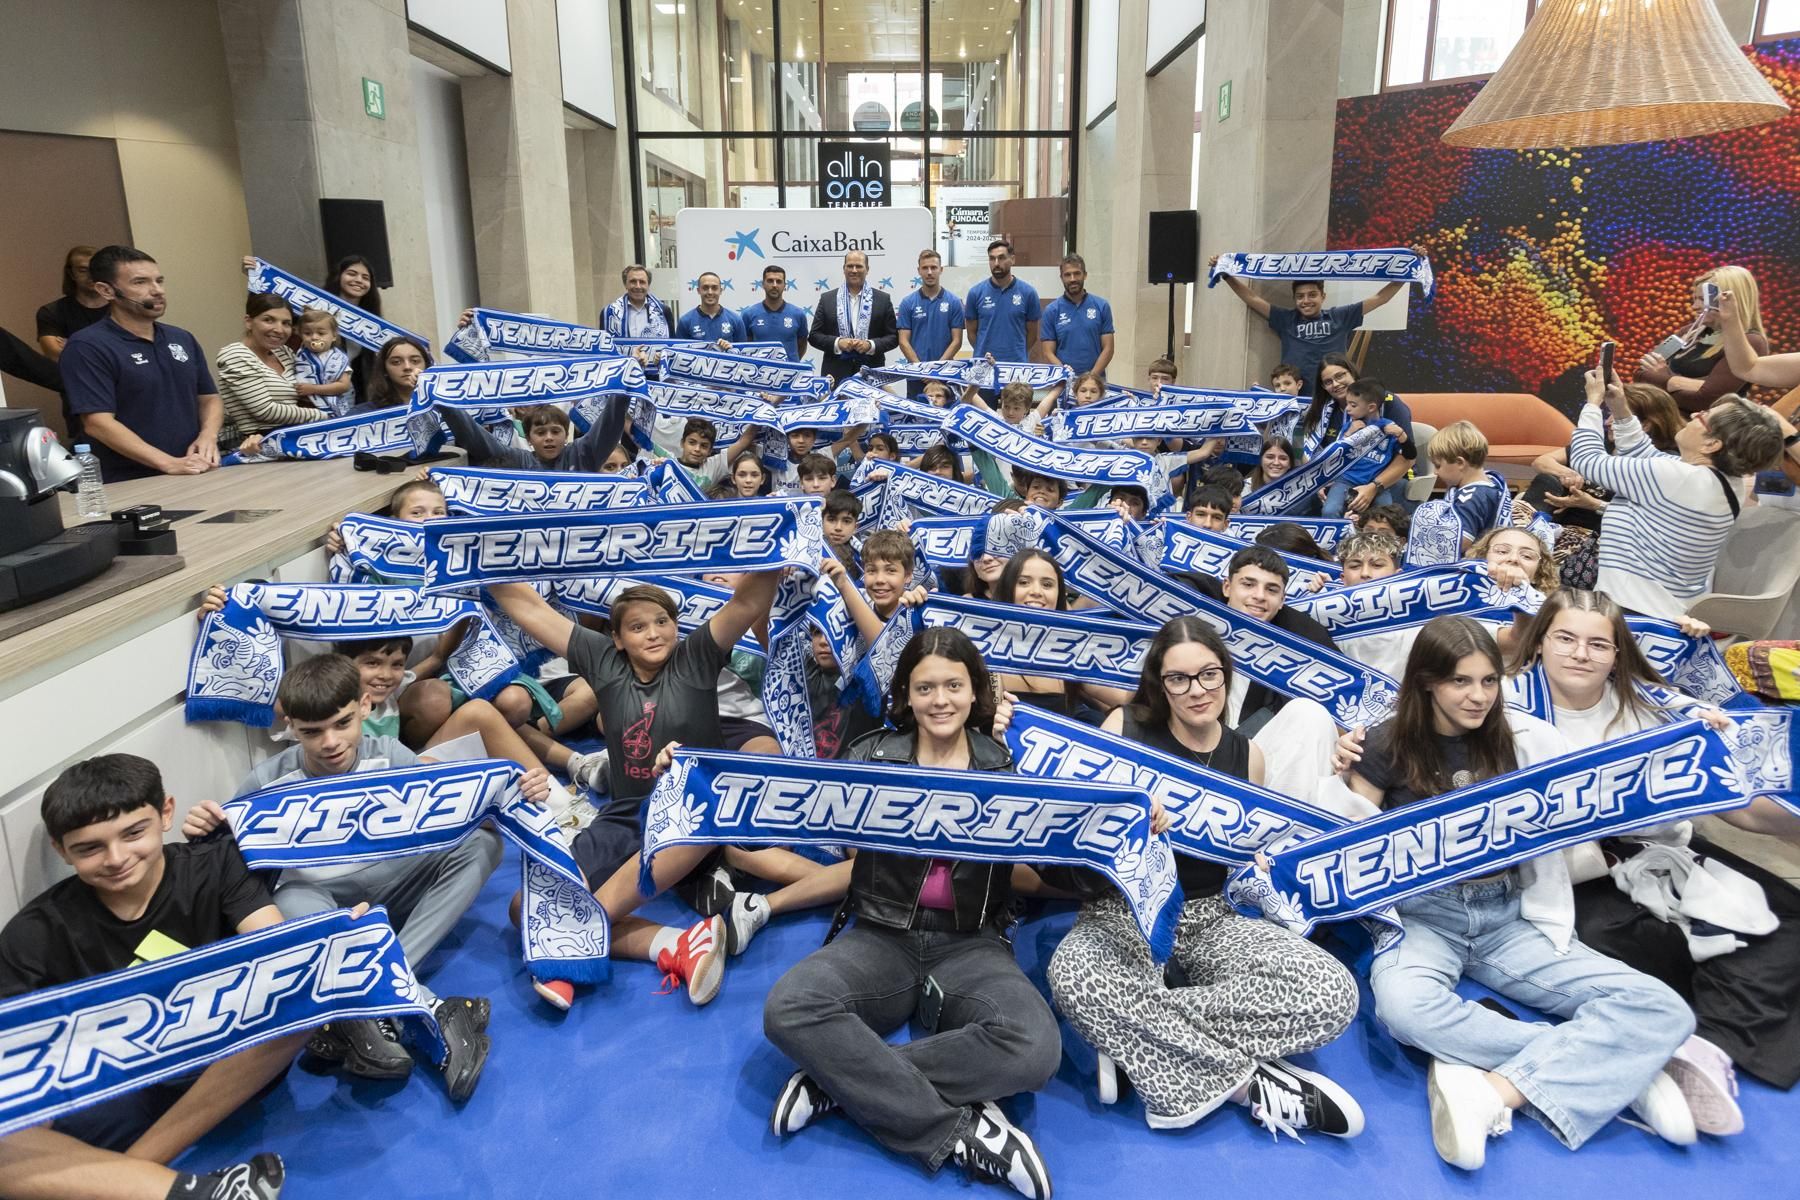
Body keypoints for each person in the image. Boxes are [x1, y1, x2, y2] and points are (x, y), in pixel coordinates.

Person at [763, 627, 1061, 1200]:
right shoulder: (870, 757)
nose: (941, 699)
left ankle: (842, 1081)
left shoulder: (1011, 769)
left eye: (955, 685)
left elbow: (1059, 861)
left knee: (1035, 1048)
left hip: (971, 944)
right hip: (881, 936)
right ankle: (957, 1131)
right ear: (906, 695)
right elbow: (813, 812)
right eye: (926, 687)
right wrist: (686, 763)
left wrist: (1132, 816)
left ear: (977, 692)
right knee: (789, 1008)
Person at [1047, 618, 1362, 1137]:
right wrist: (1125, 828)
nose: (1197, 690)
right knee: (1073, 975)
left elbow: (1237, 868)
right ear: (1159, 683)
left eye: (1209, 675)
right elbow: (1080, 844)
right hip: (1123, 911)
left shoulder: (1249, 756)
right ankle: (1248, 1086)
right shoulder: (1124, 727)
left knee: (1333, 993)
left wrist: (1258, 869)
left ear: (1226, 675)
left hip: (1211, 916)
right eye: (1179, 679)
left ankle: (1128, 1033)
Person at [1507, 589, 1800, 1102]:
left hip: (1665, 856)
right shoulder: (1502, 705)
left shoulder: (1658, 707)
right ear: (1540, 642)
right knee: (1642, 941)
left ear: (1619, 651)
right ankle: (1725, 1021)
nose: (1581, 653)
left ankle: (1710, 1043)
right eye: (1566, 639)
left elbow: (1740, 808)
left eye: (1598, 644)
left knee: (1788, 917)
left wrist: (1790, 826)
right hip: (1571, 876)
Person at [182, 655, 517, 1101]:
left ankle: (368, 988)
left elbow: (451, 814)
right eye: (311, 732)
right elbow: (227, 867)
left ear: (364, 706)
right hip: (320, 898)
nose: (330, 742)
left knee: (482, 844)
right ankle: (418, 1003)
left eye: (341, 723)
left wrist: (511, 794)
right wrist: (205, 833)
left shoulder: (393, 756)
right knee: (290, 903)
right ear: (290, 725)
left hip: (397, 881)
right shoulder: (266, 782)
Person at [485, 568, 782, 1009]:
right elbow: (529, 606)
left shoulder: (695, 655)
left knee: (706, 813)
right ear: (618, 639)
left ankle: (566, 948)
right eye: (638, 626)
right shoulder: (603, 660)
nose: (654, 633)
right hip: (625, 815)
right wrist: (476, 554)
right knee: (520, 907)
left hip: (690, 817)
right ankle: (679, 944)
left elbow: (746, 602)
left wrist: (777, 554)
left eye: (663, 622)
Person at [0, 755, 295, 1199]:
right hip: (120, 1087)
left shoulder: (214, 863)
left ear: (166, 814)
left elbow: (282, 954)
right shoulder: (34, 932)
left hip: (227, 1060)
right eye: (90, 848)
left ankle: (131, 1178)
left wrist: (329, 945)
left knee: (293, 1005)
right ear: (61, 850)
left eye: (133, 833)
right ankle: (192, 1193)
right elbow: (15, 1064)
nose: (117, 858)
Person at [1568, 368, 1783, 620]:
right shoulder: (1724, 483)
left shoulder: (1678, 478)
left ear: (1711, 444)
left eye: (1702, 416)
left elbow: (1586, 460)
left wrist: (1593, 404)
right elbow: (1646, 456)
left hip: (1630, 613)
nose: (1693, 414)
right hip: (1662, 612)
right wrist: (1620, 408)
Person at [60, 245, 222, 481]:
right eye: (140, 282)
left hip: (191, 469)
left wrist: (208, 436)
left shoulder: (181, 338)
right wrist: (168, 463)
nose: (157, 290)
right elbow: (97, 423)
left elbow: (209, 398)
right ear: (106, 290)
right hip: (128, 481)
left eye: (159, 281)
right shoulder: (87, 346)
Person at [1174, 545, 1339, 735]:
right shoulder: (1191, 625)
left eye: (1271, 589)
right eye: (1248, 584)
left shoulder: (1303, 638)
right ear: (1227, 587)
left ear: (1282, 601)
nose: (1259, 596)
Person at [1207, 246, 1422, 386]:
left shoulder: (1341, 316)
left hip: (1333, 392)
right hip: (1296, 393)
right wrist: (1226, 275)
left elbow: (1380, 297)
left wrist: (1408, 269)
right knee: (1296, 449)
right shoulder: (1286, 319)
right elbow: (1253, 299)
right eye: (1300, 296)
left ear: (1323, 296)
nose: (1306, 300)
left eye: (1312, 295)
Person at [988, 549, 1132, 717]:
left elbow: (1127, 700)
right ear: (1007, 588)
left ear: (1059, 594)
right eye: (1024, 582)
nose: (1036, 591)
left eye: (1047, 584)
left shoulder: (1072, 652)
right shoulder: (984, 649)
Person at [1522, 382, 1683, 531]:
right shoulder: (1607, 443)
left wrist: (1592, 504)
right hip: (1562, 518)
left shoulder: (1665, 463)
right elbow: (1542, 461)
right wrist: (1568, 474)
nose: (1607, 422)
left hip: (1606, 531)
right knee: (1548, 480)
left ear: (1645, 425)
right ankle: (1521, 537)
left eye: (1615, 415)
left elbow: (1648, 518)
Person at [1636, 266, 1769, 416]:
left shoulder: (1750, 342)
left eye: (1703, 299)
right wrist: (1677, 383)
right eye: (1694, 299)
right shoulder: (1690, 331)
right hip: (1661, 420)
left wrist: (1664, 377)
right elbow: (1641, 374)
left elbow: (1706, 400)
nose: (1694, 306)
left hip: (1702, 429)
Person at [1296, 354, 1419, 511]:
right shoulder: (1323, 409)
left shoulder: (1386, 402)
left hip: (1387, 477)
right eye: (1328, 382)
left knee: (1381, 511)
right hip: (1343, 478)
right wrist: (1316, 481)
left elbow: (1408, 459)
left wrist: (1373, 487)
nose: (1336, 384)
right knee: (1304, 501)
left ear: (1352, 372)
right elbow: (1302, 446)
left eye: (1340, 375)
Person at [215, 294, 324, 450]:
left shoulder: (283, 352)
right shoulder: (235, 354)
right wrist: (322, 415)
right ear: (249, 322)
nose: (279, 330)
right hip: (256, 443)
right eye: (268, 320)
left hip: (296, 437)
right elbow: (265, 411)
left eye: (286, 323)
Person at [34, 244, 109, 436]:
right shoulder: (53, 312)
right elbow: (54, 353)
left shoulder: (122, 307)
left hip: (129, 393)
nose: (91, 276)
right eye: (83, 270)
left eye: (95, 269)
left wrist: (76, 346)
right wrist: (111, 350)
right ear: (72, 273)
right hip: (80, 396)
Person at [437, 400, 627, 472]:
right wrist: (442, 402)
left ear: (566, 434)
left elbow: (610, 423)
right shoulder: (518, 460)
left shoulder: (582, 454)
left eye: (555, 431)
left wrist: (625, 388)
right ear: (528, 438)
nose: (549, 437)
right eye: (540, 432)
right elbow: (473, 436)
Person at [808, 250, 899, 383]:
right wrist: (838, 343)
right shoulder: (827, 299)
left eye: (859, 266)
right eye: (850, 266)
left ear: (867, 269)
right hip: (835, 374)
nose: (854, 270)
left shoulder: (883, 299)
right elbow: (814, 336)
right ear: (844, 269)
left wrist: (870, 345)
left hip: (872, 374)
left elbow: (893, 337)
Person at [1320, 379, 1405, 518]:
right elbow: (1336, 454)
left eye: (1353, 405)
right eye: (1347, 404)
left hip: (1376, 483)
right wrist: (1348, 434)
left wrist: (1401, 435)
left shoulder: (1390, 428)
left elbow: (1407, 455)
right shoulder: (1349, 426)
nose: (1347, 409)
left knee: (1385, 515)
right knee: (1329, 511)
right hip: (1345, 479)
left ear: (1371, 407)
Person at [1427, 422, 1510, 549]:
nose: (1435, 472)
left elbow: (1462, 542)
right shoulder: (1493, 483)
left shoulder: (1470, 497)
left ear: (1460, 463)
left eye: (1438, 465)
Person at [964, 239, 1041, 365]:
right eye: (992, 259)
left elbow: (1032, 335)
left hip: (1016, 366)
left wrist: (1017, 353)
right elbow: (971, 334)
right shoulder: (975, 293)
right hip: (984, 365)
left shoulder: (1028, 293)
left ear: (1012, 260)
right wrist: (982, 351)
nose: (996, 263)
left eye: (1001, 258)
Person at [1039, 254, 1115, 378]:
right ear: (1061, 278)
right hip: (1063, 382)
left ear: (1085, 275)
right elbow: (1048, 353)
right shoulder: (1051, 310)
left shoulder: (1102, 306)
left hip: (1096, 382)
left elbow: (1108, 348)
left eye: (1077, 273)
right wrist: (1066, 375)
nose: (1072, 279)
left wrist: (1090, 378)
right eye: (1067, 275)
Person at [896, 248, 966, 364]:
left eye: (933, 267)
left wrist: (935, 370)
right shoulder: (907, 302)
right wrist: (921, 369)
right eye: (925, 268)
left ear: (941, 270)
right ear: (919, 270)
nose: (929, 272)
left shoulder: (954, 302)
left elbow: (957, 341)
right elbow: (903, 342)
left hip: (944, 372)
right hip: (916, 373)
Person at [292, 308, 354, 415]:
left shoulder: (337, 358)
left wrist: (313, 389)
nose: (314, 337)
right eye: (307, 333)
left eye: (321, 333)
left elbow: (344, 386)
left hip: (329, 406)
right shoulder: (299, 355)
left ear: (334, 336)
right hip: (303, 408)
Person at [739, 264, 808, 360]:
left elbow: (802, 345)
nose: (774, 285)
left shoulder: (798, 314)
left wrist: (791, 362)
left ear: (785, 286)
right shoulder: (749, 314)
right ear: (763, 284)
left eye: (779, 281)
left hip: (790, 373)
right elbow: (745, 347)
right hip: (760, 372)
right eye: (770, 281)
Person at [357, 335, 432, 411]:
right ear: (384, 369)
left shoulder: (440, 404)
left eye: (415, 361)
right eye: (396, 362)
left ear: (426, 365)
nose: (407, 367)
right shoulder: (364, 412)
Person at [601, 263, 673, 338]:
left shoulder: (664, 311)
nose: (638, 286)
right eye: (633, 281)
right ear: (625, 284)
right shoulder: (609, 313)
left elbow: (672, 346)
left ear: (648, 285)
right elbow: (604, 346)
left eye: (642, 282)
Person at [678, 272, 747, 347]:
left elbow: (742, 353)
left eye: (714, 288)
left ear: (720, 291)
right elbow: (679, 353)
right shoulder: (685, 321)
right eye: (705, 288)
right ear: (698, 290)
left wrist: (730, 349)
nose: (710, 292)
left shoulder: (736, 320)